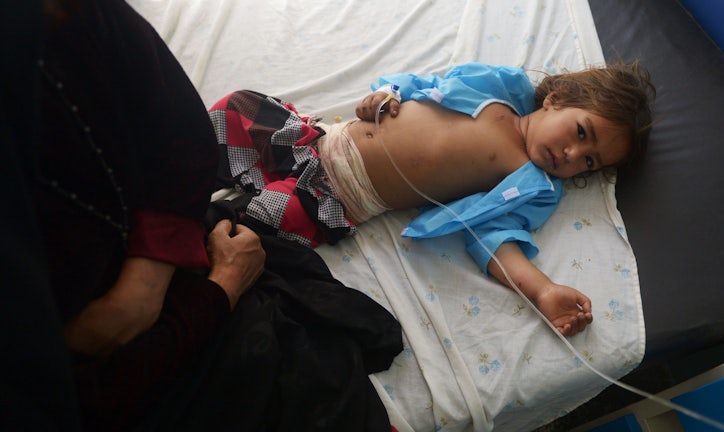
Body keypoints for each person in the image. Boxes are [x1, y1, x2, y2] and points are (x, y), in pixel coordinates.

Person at [210, 61, 655, 337]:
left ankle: (211, 216)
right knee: (237, 107)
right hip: (313, 140)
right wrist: (386, 95)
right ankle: (173, 165)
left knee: (254, 225)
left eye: (590, 163)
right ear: (555, 100)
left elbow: (496, 238)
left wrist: (543, 290)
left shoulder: (533, 187)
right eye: (581, 133)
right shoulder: (498, 89)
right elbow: (423, 86)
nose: (573, 155)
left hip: (331, 197)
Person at [30, 0, 266, 430]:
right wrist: (222, 289)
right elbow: (90, 399)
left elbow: (177, 126)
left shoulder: (73, 18)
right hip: (138, 378)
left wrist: (144, 282)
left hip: (172, 264)